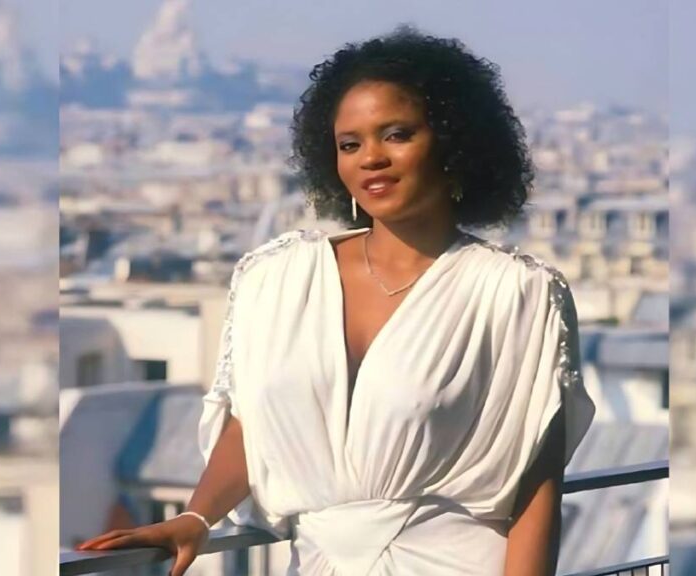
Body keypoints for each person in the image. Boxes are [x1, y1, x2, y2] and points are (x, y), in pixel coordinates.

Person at [78, 26, 595, 576]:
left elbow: (536, 491)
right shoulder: (276, 278)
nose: (371, 158)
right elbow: (252, 423)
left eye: (396, 134)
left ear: (453, 143)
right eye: (350, 144)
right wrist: (198, 518)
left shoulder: (518, 292)